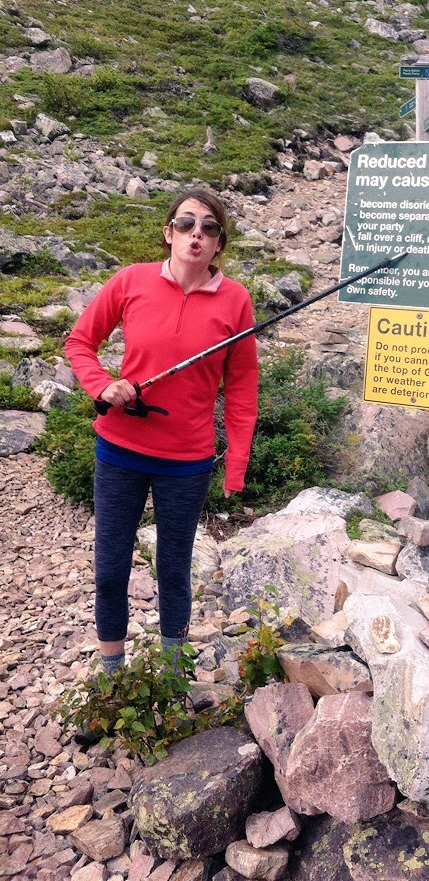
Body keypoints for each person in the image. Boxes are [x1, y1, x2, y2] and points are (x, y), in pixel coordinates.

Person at [65, 188, 258, 678]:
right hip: (119, 449)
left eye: (209, 227)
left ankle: (170, 677)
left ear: (219, 244)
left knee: (174, 569)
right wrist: (103, 384)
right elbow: (80, 342)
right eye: (187, 223)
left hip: (187, 462)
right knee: (110, 572)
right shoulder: (130, 281)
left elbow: (241, 390)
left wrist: (235, 466)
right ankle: (113, 677)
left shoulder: (236, 300)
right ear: (168, 232)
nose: (197, 233)